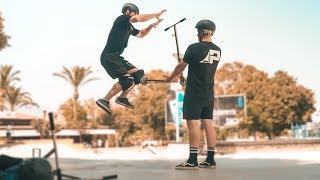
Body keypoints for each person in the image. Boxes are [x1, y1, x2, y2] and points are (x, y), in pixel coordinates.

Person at [165, 19, 221, 170]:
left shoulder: (194, 48)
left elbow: (180, 66)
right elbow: (201, 69)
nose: (197, 34)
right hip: (208, 92)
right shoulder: (217, 50)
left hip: (194, 92)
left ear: (203, 31)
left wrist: (171, 77)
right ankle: (210, 159)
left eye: (198, 31)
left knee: (193, 124)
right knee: (208, 122)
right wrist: (184, 80)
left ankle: (192, 160)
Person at [96, 3, 166, 114]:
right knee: (127, 80)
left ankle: (122, 98)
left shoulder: (129, 26)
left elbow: (141, 34)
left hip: (116, 57)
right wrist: (155, 14)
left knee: (138, 75)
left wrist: (151, 26)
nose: (136, 16)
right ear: (128, 11)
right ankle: (104, 100)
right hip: (109, 56)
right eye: (135, 13)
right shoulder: (122, 19)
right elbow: (137, 19)